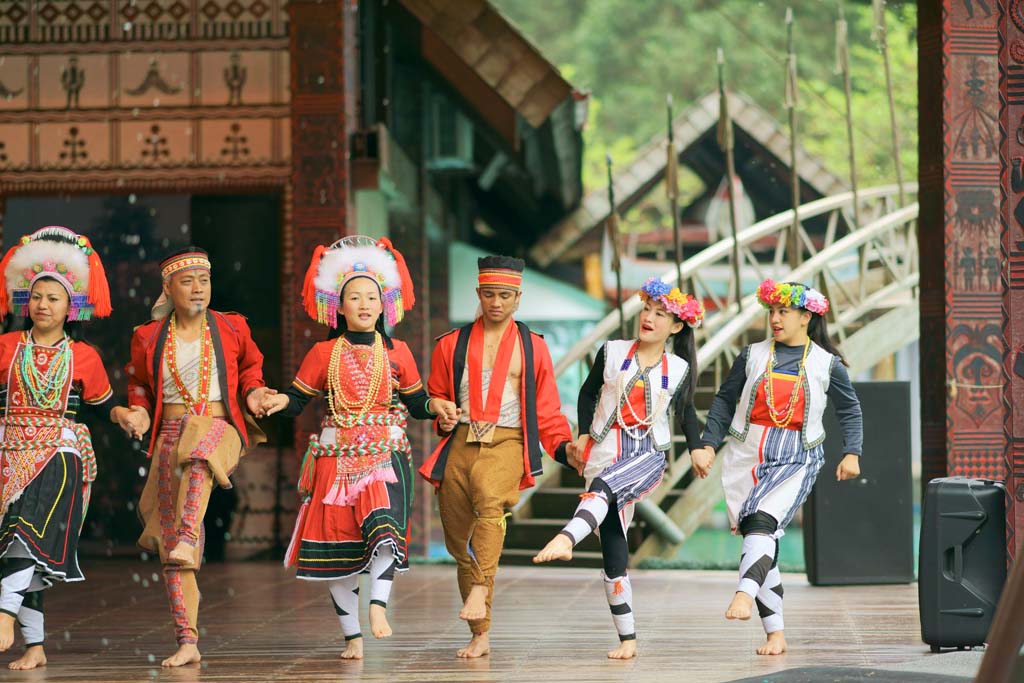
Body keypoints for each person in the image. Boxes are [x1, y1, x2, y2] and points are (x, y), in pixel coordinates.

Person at [262, 235, 458, 660]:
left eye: (372, 296)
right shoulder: (323, 352)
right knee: (337, 551)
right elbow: (297, 400)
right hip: (334, 462)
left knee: (385, 531)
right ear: (339, 305)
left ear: (384, 304)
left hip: (385, 458)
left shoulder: (399, 351)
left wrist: (437, 405)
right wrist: (278, 400)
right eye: (355, 297)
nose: (364, 304)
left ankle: (378, 605)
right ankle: (352, 636)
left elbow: (416, 402)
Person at [114, 246, 275, 667]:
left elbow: (251, 371)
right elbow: (140, 388)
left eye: (203, 280)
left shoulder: (231, 326)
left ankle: (189, 534)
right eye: (187, 282)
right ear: (168, 287)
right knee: (171, 554)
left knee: (201, 452)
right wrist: (138, 413)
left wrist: (256, 392)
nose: (198, 288)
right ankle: (188, 640)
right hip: (171, 432)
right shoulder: (147, 336)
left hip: (220, 426)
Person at [533, 277, 705, 659]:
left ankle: (566, 538)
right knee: (613, 545)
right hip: (603, 453)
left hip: (646, 456)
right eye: (647, 310)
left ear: (676, 326)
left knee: (603, 492)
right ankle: (627, 639)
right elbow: (586, 393)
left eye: (661, 315)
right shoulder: (611, 352)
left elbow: (687, 413)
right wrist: (579, 433)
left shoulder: (678, 368)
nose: (649, 318)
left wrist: (697, 449)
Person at [691, 279, 863, 656]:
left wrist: (852, 452)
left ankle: (743, 593)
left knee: (762, 523)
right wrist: (706, 443)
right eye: (772, 311)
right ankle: (776, 634)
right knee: (761, 539)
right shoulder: (751, 355)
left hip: (798, 456)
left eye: (784, 311)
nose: (775, 318)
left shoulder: (826, 363)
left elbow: (849, 409)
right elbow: (723, 401)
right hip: (747, 454)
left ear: (806, 316)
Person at [419, 255, 576, 659]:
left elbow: (548, 411)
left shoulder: (534, 348)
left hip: (508, 442)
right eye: (489, 294)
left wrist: (564, 447)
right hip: (462, 441)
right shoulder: (449, 344)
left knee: (491, 501)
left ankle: (481, 588)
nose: (496, 303)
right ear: (478, 294)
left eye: (505, 295)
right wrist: (441, 408)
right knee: (458, 539)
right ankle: (480, 633)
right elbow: (435, 397)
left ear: (518, 298)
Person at [0, 226, 113, 670]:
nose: (44, 305)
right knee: (13, 546)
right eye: (38, 297)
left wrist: (130, 415)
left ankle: (4, 615)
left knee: (26, 532)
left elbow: (105, 408)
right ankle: (35, 645)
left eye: (55, 298)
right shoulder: (6, 347)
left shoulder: (85, 356)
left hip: (59, 455)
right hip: (8, 454)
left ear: (72, 306)